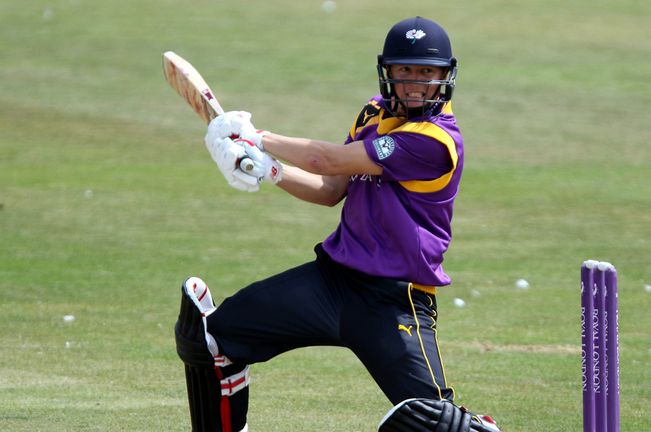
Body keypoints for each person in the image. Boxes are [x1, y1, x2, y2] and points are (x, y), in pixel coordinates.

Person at [174, 16, 501, 432]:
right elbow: (331, 188)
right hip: (330, 283)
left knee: (432, 421)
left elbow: (326, 159)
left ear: (445, 76)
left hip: (393, 301)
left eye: (426, 72)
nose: (415, 82)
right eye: (404, 70)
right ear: (388, 72)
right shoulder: (373, 112)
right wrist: (270, 170)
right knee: (211, 340)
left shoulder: (435, 141)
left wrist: (256, 136)